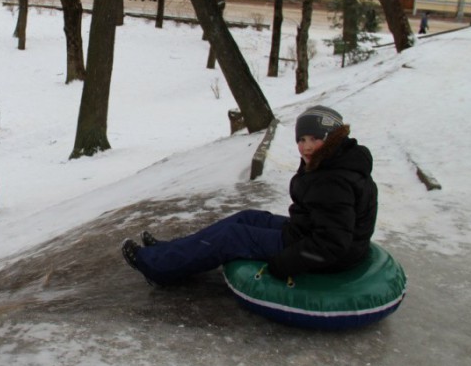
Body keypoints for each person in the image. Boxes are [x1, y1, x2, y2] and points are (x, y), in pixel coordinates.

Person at [121, 106, 378, 286]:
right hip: (307, 232)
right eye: (301, 139)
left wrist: (285, 262)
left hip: (326, 254)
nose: (306, 146)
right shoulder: (333, 162)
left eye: (314, 138)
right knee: (247, 217)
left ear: (332, 138)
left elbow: (332, 243)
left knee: (232, 237)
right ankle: (169, 250)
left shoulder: (333, 181)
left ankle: (158, 267)